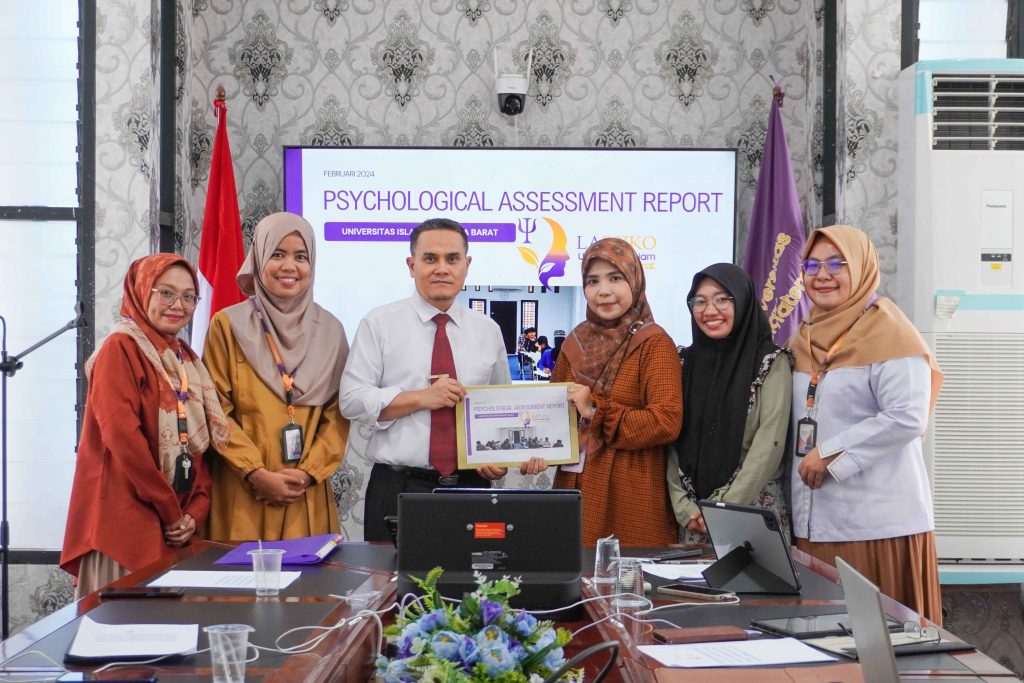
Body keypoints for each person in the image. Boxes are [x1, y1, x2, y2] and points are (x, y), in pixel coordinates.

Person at [339, 218, 543, 541]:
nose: (442, 269)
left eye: (452, 259)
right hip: (398, 488)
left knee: (478, 574)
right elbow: (350, 400)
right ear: (412, 265)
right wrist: (420, 398)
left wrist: (497, 461)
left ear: (467, 265)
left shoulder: (487, 331)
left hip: (472, 487)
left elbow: (502, 411)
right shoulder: (379, 324)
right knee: (390, 575)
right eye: (430, 258)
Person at [788, 225, 943, 624]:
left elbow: (907, 415)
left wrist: (831, 453)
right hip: (812, 519)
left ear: (860, 268)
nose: (822, 275)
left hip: (876, 526)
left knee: (875, 643)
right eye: (812, 265)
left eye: (836, 264)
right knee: (819, 641)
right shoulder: (803, 335)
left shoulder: (889, 330)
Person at [61, 254, 230, 597]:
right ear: (141, 290)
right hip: (125, 525)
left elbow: (199, 444)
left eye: (188, 297)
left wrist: (195, 512)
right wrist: (170, 511)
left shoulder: (185, 359)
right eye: (166, 292)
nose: (178, 305)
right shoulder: (120, 348)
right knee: (124, 626)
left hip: (176, 525)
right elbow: (123, 439)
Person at [204, 212, 349, 541]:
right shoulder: (228, 325)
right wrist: (255, 472)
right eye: (278, 254)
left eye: (301, 257)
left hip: (304, 494)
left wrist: (308, 473)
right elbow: (215, 410)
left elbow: (338, 415)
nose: (289, 266)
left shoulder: (331, 331)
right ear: (258, 259)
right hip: (244, 491)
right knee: (241, 573)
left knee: (306, 573)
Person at [552, 238, 682, 545]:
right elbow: (553, 412)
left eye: (615, 278)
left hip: (628, 487)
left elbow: (666, 421)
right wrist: (538, 451)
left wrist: (595, 410)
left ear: (634, 280)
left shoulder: (654, 343)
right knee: (572, 567)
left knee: (624, 572)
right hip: (573, 482)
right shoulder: (575, 341)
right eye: (592, 281)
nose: (603, 291)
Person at [666, 264, 792, 543]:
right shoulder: (683, 362)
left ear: (743, 302)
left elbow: (769, 443)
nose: (709, 310)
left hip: (751, 512)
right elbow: (671, 439)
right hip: (693, 519)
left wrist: (725, 507)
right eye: (700, 301)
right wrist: (683, 506)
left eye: (722, 299)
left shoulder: (771, 362)